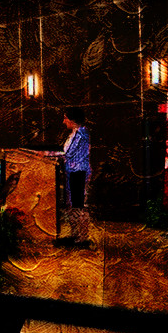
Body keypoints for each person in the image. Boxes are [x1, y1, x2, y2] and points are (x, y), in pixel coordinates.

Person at [55, 106, 91, 248]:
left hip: (78, 172)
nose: (63, 121)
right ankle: (76, 236)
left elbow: (67, 153)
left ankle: (82, 239)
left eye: (65, 118)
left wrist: (46, 154)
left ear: (73, 119)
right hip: (73, 172)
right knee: (73, 206)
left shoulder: (80, 133)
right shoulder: (75, 133)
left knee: (78, 206)